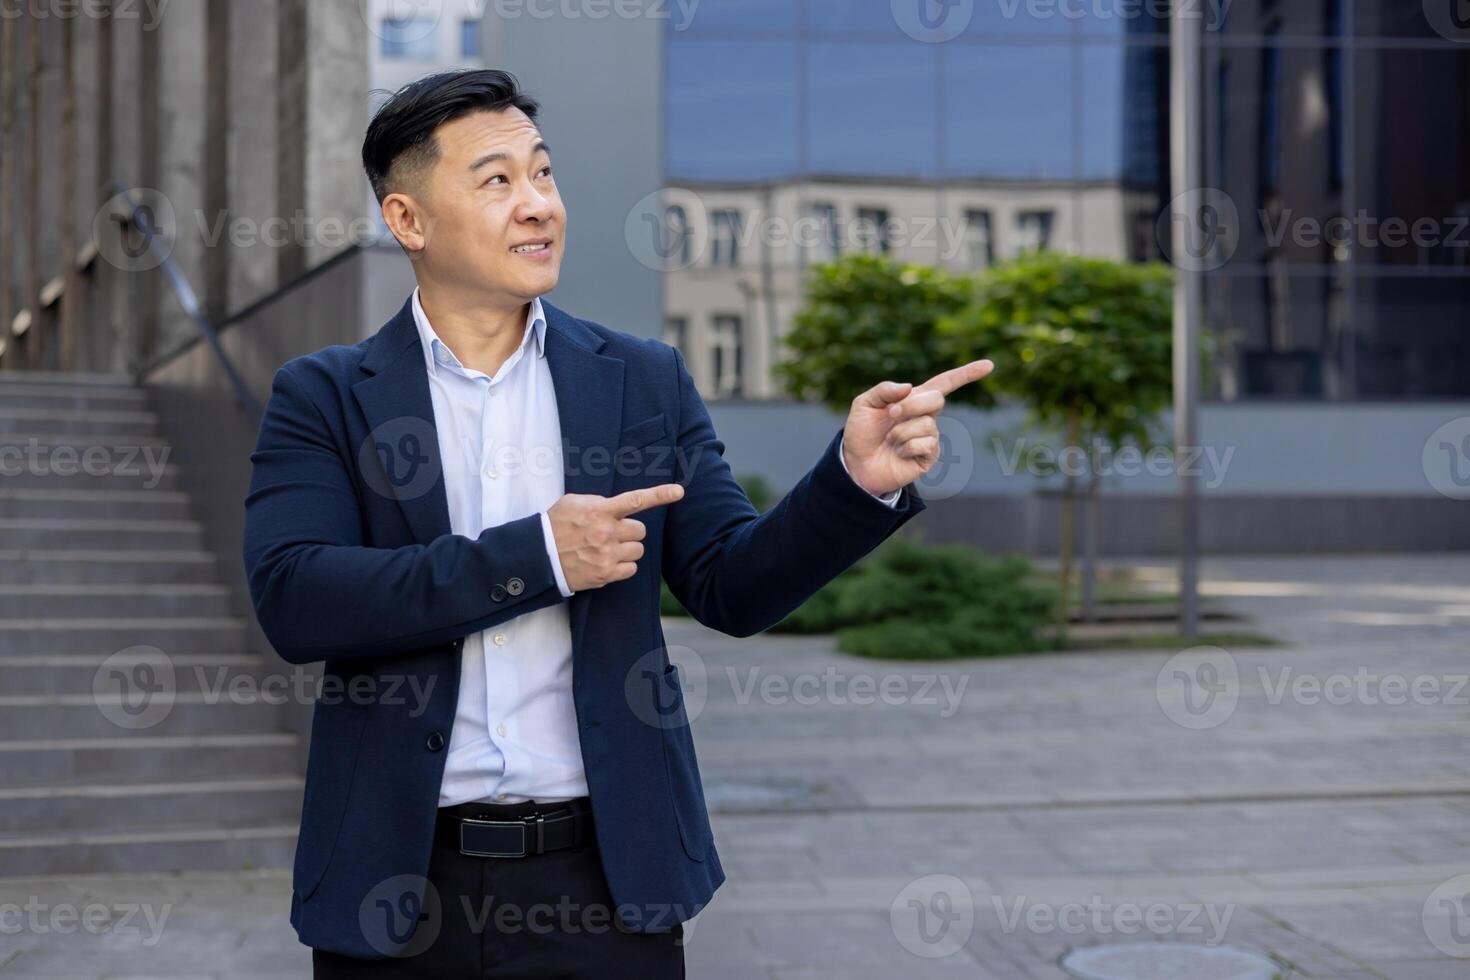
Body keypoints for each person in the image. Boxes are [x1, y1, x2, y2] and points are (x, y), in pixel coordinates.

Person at [242, 68, 993, 978]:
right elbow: (296, 598)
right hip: (395, 888)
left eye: (544, 174)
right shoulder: (324, 396)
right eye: (497, 181)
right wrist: (538, 557)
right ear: (408, 221)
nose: (538, 206)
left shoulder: (640, 380)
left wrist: (851, 481)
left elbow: (732, 585)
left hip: (603, 889)